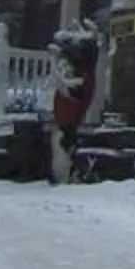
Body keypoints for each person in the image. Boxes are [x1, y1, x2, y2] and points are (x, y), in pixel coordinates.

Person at [48, 25, 106, 185]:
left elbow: (69, 90)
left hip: (69, 118)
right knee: (66, 143)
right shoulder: (82, 78)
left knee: (66, 144)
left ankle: (70, 174)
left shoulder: (81, 82)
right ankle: (70, 173)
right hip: (68, 118)